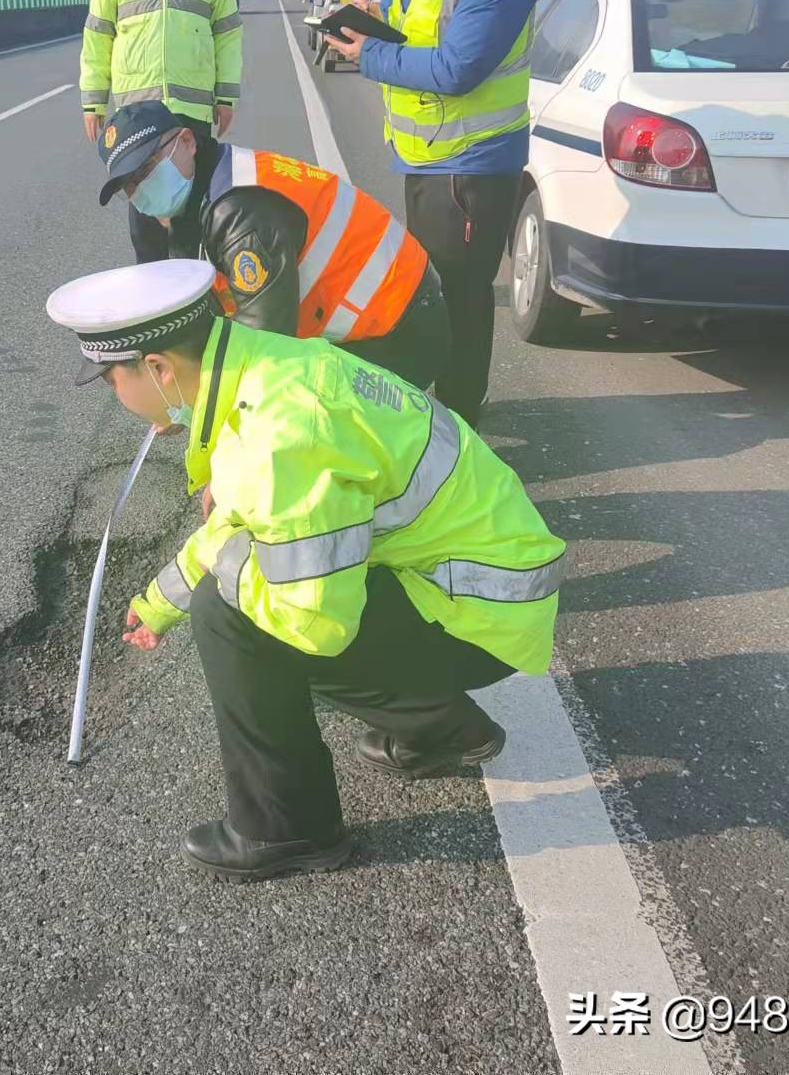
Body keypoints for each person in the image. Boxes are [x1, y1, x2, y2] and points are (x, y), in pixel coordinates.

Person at [44, 260, 565, 881]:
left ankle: (288, 829)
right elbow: (245, 515)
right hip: (470, 583)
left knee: (229, 618)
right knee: (234, 589)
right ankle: (437, 728)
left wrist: (214, 586)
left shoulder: (279, 432)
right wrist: (160, 601)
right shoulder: (261, 367)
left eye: (111, 380)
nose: (114, 395)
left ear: (158, 369)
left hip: (480, 612)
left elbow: (317, 625)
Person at [322, 0, 541, 428]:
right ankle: (440, 408)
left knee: (463, 298)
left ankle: (461, 418)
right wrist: (378, 23)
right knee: (434, 289)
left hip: (471, 167)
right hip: (424, 160)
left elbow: (456, 69)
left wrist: (368, 56)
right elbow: (414, 31)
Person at [95, 100, 450, 390]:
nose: (140, 190)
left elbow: (263, 343)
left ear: (187, 141)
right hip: (375, 320)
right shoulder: (203, 190)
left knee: (288, 423)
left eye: (148, 169)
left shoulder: (240, 209)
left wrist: (196, 398)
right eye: (129, 184)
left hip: (399, 330)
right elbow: (209, 309)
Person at [80, 0, 244, 264]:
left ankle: (195, 311)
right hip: (137, 118)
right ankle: (155, 309)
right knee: (146, 224)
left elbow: (226, 32)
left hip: (191, 110)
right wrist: (93, 102)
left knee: (193, 218)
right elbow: (98, 35)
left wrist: (226, 97)